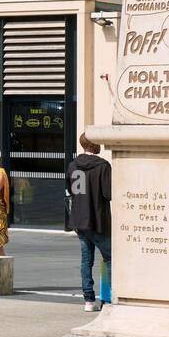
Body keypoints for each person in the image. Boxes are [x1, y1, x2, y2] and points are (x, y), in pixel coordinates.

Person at [66, 133, 112, 313]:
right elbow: (108, 193)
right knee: (110, 258)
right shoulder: (103, 166)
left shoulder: (72, 165)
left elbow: (70, 190)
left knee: (86, 260)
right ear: (95, 145)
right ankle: (108, 299)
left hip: (79, 218)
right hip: (98, 219)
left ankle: (88, 300)